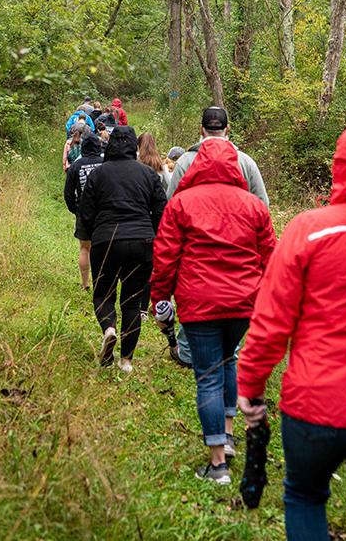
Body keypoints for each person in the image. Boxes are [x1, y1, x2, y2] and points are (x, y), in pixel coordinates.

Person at [237, 120, 346, 541]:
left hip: (315, 403)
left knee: (303, 496)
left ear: (341, 167)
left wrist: (250, 386)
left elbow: (272, 319)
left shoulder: (309, 230)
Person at [151, 137, 276, 484]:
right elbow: (270, 256)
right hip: (242, 303)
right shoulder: (254, 206)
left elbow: (164, 258)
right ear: (234, 166)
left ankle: (218, 464)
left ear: (199, 163)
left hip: (198, 302)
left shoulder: (181, 205)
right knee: (229, 359)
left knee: (207, 375)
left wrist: (160, 299)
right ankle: (230, 432)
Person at [168, 106, 270, 367]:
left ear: (201, 129)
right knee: (232, 303)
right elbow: (263, 207)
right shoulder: (246, 162)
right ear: (227, 129)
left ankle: (191, 352)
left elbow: (170, 206)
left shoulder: (185, 162)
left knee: (195, 298)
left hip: (194, 250)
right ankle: (226, 356)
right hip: (238, 252)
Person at [80, 126, 166, 373]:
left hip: (106, 241)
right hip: (141, 242)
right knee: (132, 302)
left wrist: (89, 235)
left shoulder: (98, 175)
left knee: (103, 294)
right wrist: (154, 236)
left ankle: (108, 328)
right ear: (133, 146)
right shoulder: (148, 175)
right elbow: (162, 210)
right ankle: (126, 361)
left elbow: (86, 212)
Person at [64, 134, 103, 290]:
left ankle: (85, 284)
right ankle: (101, 283)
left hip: (84, 211)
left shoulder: (76, 166)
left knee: (85, 248)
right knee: (104, 249)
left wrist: (76, 210)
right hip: (104, 212)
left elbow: (68, 193)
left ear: (84, 147)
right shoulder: (105, 163)